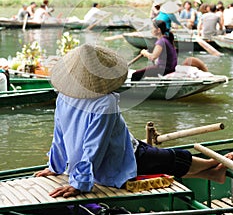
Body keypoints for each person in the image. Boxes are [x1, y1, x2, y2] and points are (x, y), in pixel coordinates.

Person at [35, 43, 232, 198]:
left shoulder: (64, 95)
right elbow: (92, 146)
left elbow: (62, 138)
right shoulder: (104, 102)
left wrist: (59, 167)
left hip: (104, 158)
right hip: (119, 157)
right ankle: (211, 164)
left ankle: (213, 170)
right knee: (171, 158)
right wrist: (72, 178)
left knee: (163, 159)